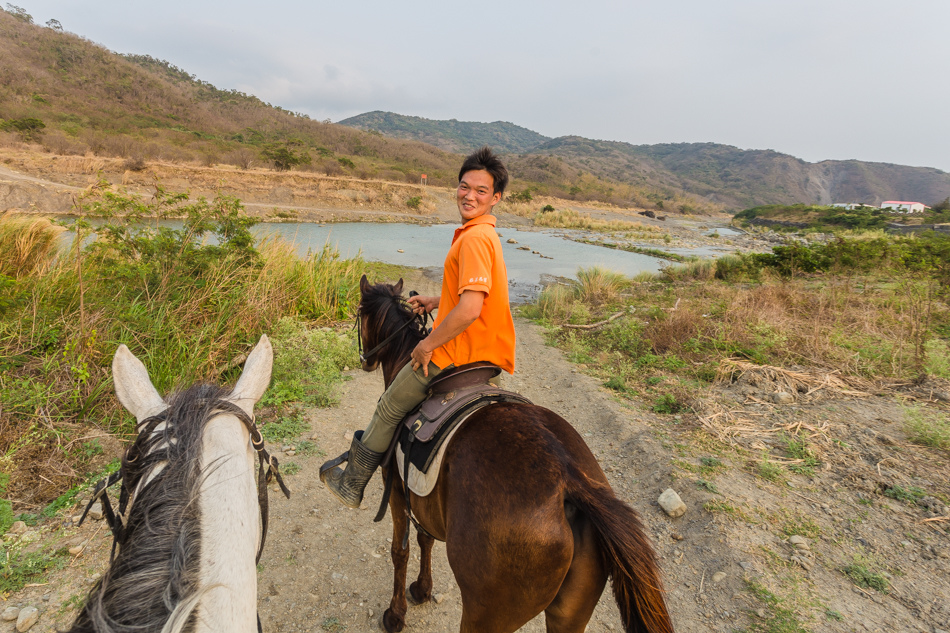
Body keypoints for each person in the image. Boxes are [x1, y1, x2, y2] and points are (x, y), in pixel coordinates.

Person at [320, 146, 516, 508]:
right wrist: (434, 300)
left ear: (496, 198)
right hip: (488, 357)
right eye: (464, 186)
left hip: (457, 352)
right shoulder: (486, 234)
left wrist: (426, 346)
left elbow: (471, 308)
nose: (470, 195)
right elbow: (474, 292)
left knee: (390, 405)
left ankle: (351, 483)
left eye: (481, 191)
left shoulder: (473, 239)